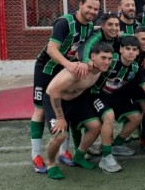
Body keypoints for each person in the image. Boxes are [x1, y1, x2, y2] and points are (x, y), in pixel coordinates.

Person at [30, 0, 100, 174]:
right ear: (80, 5)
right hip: (47, 69)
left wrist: (85, 61)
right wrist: (69, 64)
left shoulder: (90, 25)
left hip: (64, 70)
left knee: (65, 106)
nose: (92, 11)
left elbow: (84, 48)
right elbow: (52, 49)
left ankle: (64, 152)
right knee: (40, 109)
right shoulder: (64, 22)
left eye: (96, 9)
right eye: (89, 7)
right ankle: (36, 155)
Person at [43, 42, 114, 179]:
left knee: (95, 126)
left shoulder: (100, 70)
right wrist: (61, 118)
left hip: (76, 101)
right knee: (60, 136)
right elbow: (54, 91)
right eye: (103, 58)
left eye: (109, 59)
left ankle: (78, 156)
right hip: (55, 100)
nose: (106, 62)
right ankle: (51, 164)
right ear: (93, 56)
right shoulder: (79, 71)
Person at [90, 36, 145, 169]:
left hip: (117, 97)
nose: (131, 52)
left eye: (134, 49)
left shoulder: (136, 68)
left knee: (136, 117)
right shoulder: (110, 61)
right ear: (120, 49)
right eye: (127, 49)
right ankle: (106, 157)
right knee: (109, 116)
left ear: (138, 52)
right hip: (97, 95)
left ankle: (116, 145)